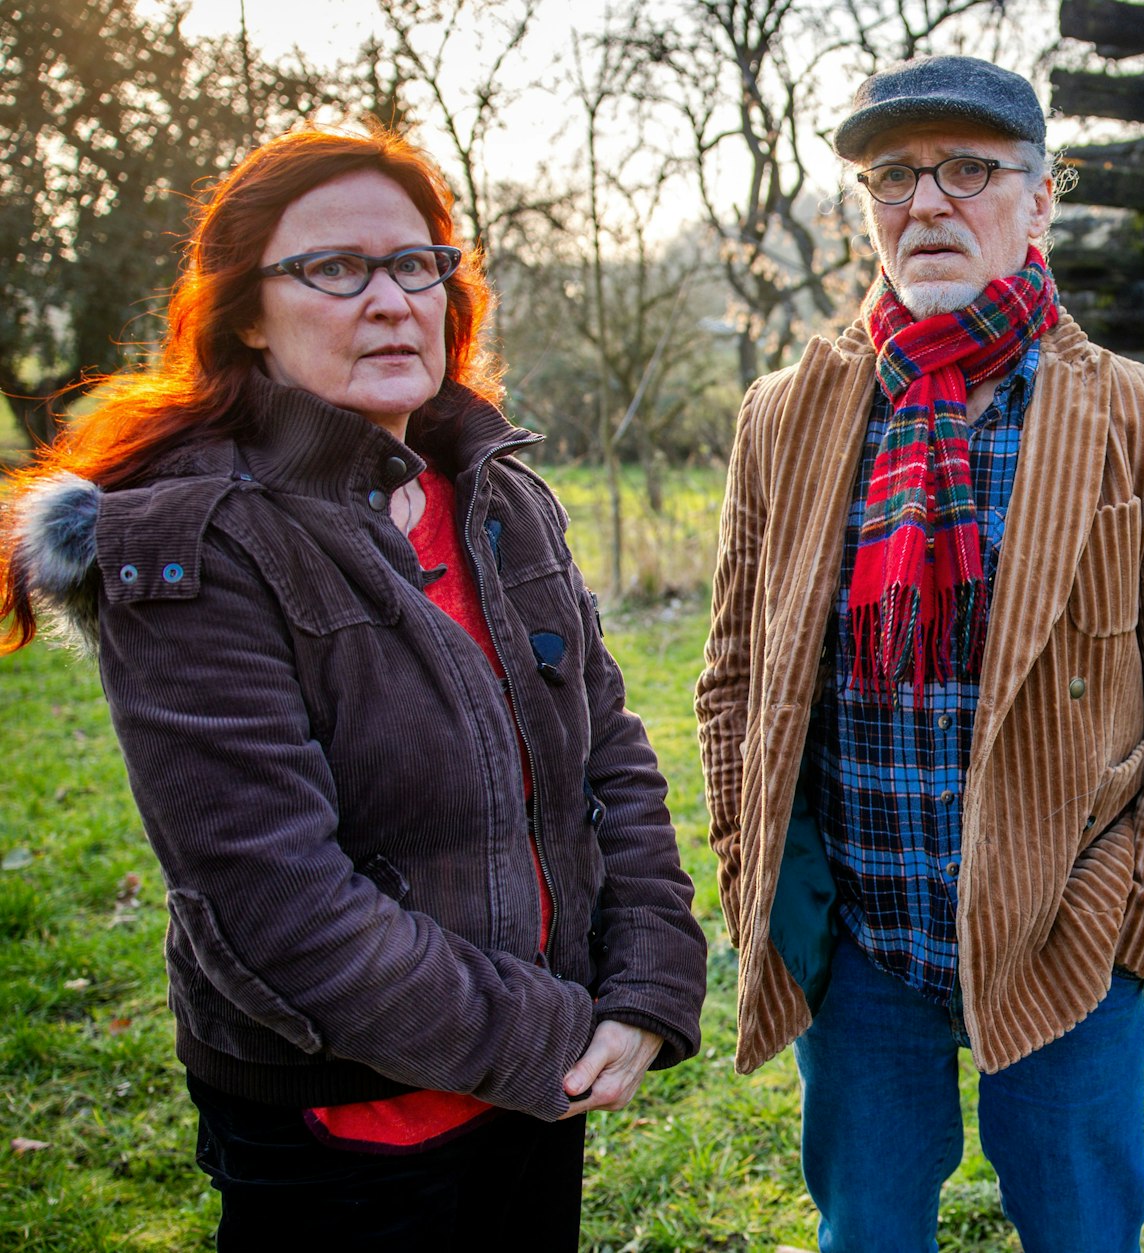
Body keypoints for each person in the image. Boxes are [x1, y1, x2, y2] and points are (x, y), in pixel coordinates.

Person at [0, 128, 707, 1248]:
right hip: (344, 1130)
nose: (389, 299)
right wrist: (557, 1034)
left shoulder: (493, 495)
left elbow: (605, 750)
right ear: (243, 311)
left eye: (416, 262)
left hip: (539, 1096)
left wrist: (648, 983)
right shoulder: (198, 541)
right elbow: (274, 898)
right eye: (334, 269)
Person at [695, 55, 1144, 1251]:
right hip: (859, 942)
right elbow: (734, 677)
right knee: (867, 1232)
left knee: (1079, 1229)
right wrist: (759, 886)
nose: (927, 204)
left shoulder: (1142, 416)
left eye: (967, 170)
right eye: (892, 178)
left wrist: (1135, 922)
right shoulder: (783, 415)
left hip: (1066, 935)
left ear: (1040, 199)